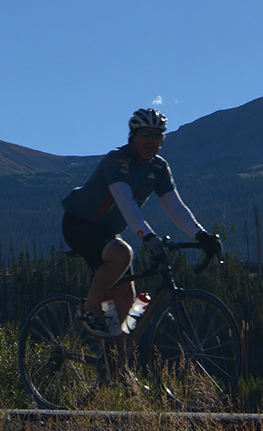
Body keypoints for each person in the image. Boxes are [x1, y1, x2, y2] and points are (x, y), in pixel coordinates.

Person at [60, 107, 221, 338]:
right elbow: (125, 202)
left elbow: (175, 207)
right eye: (144, 134)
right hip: (79, 224)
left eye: (157, 135)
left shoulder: (159, 167)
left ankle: (116, 360)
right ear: (133, 136)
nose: (150, 140)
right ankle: (87, 310)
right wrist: (147, 236)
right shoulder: (118, 160)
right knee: (123, 253)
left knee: (127, 302)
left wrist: (201, 235)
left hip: (106, 232)